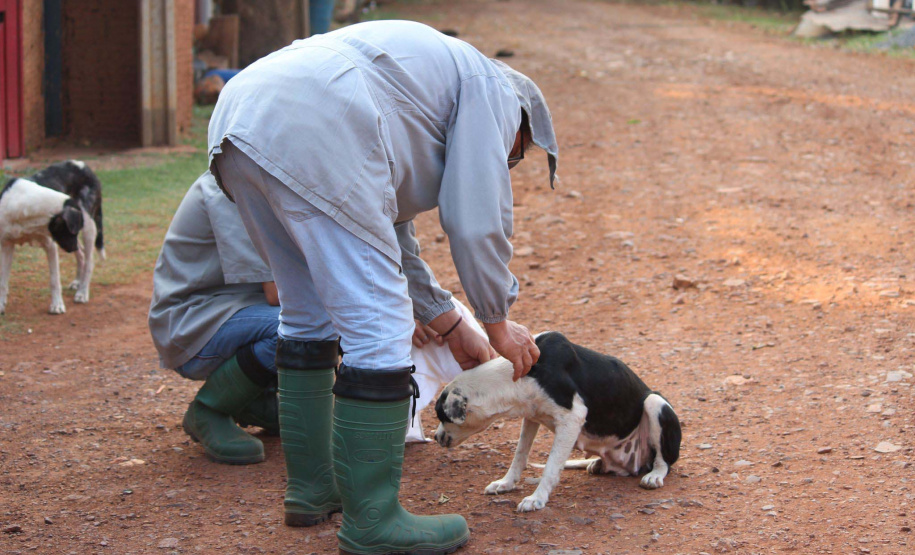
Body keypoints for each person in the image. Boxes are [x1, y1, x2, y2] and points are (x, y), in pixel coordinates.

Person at [208, 20, 559, 555]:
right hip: (319, 122)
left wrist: (447, 321)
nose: (508, 162)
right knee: (379, 324)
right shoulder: (493, 90)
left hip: (240, 120)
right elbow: (475, 221)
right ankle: (373, 520)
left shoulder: (421, 86)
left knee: (305, 313)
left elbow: (391, 235)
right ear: (520, 120)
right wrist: (497, 323)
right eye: (515, 154)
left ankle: (312, 489)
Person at [148, 171, 282, 465]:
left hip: (236, 309)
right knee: (297, 327)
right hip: (193, 321)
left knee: (315, 319)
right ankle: (210, 409)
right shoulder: (230, 187)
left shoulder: (269, 182)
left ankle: (257, 401)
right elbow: (277, 293)